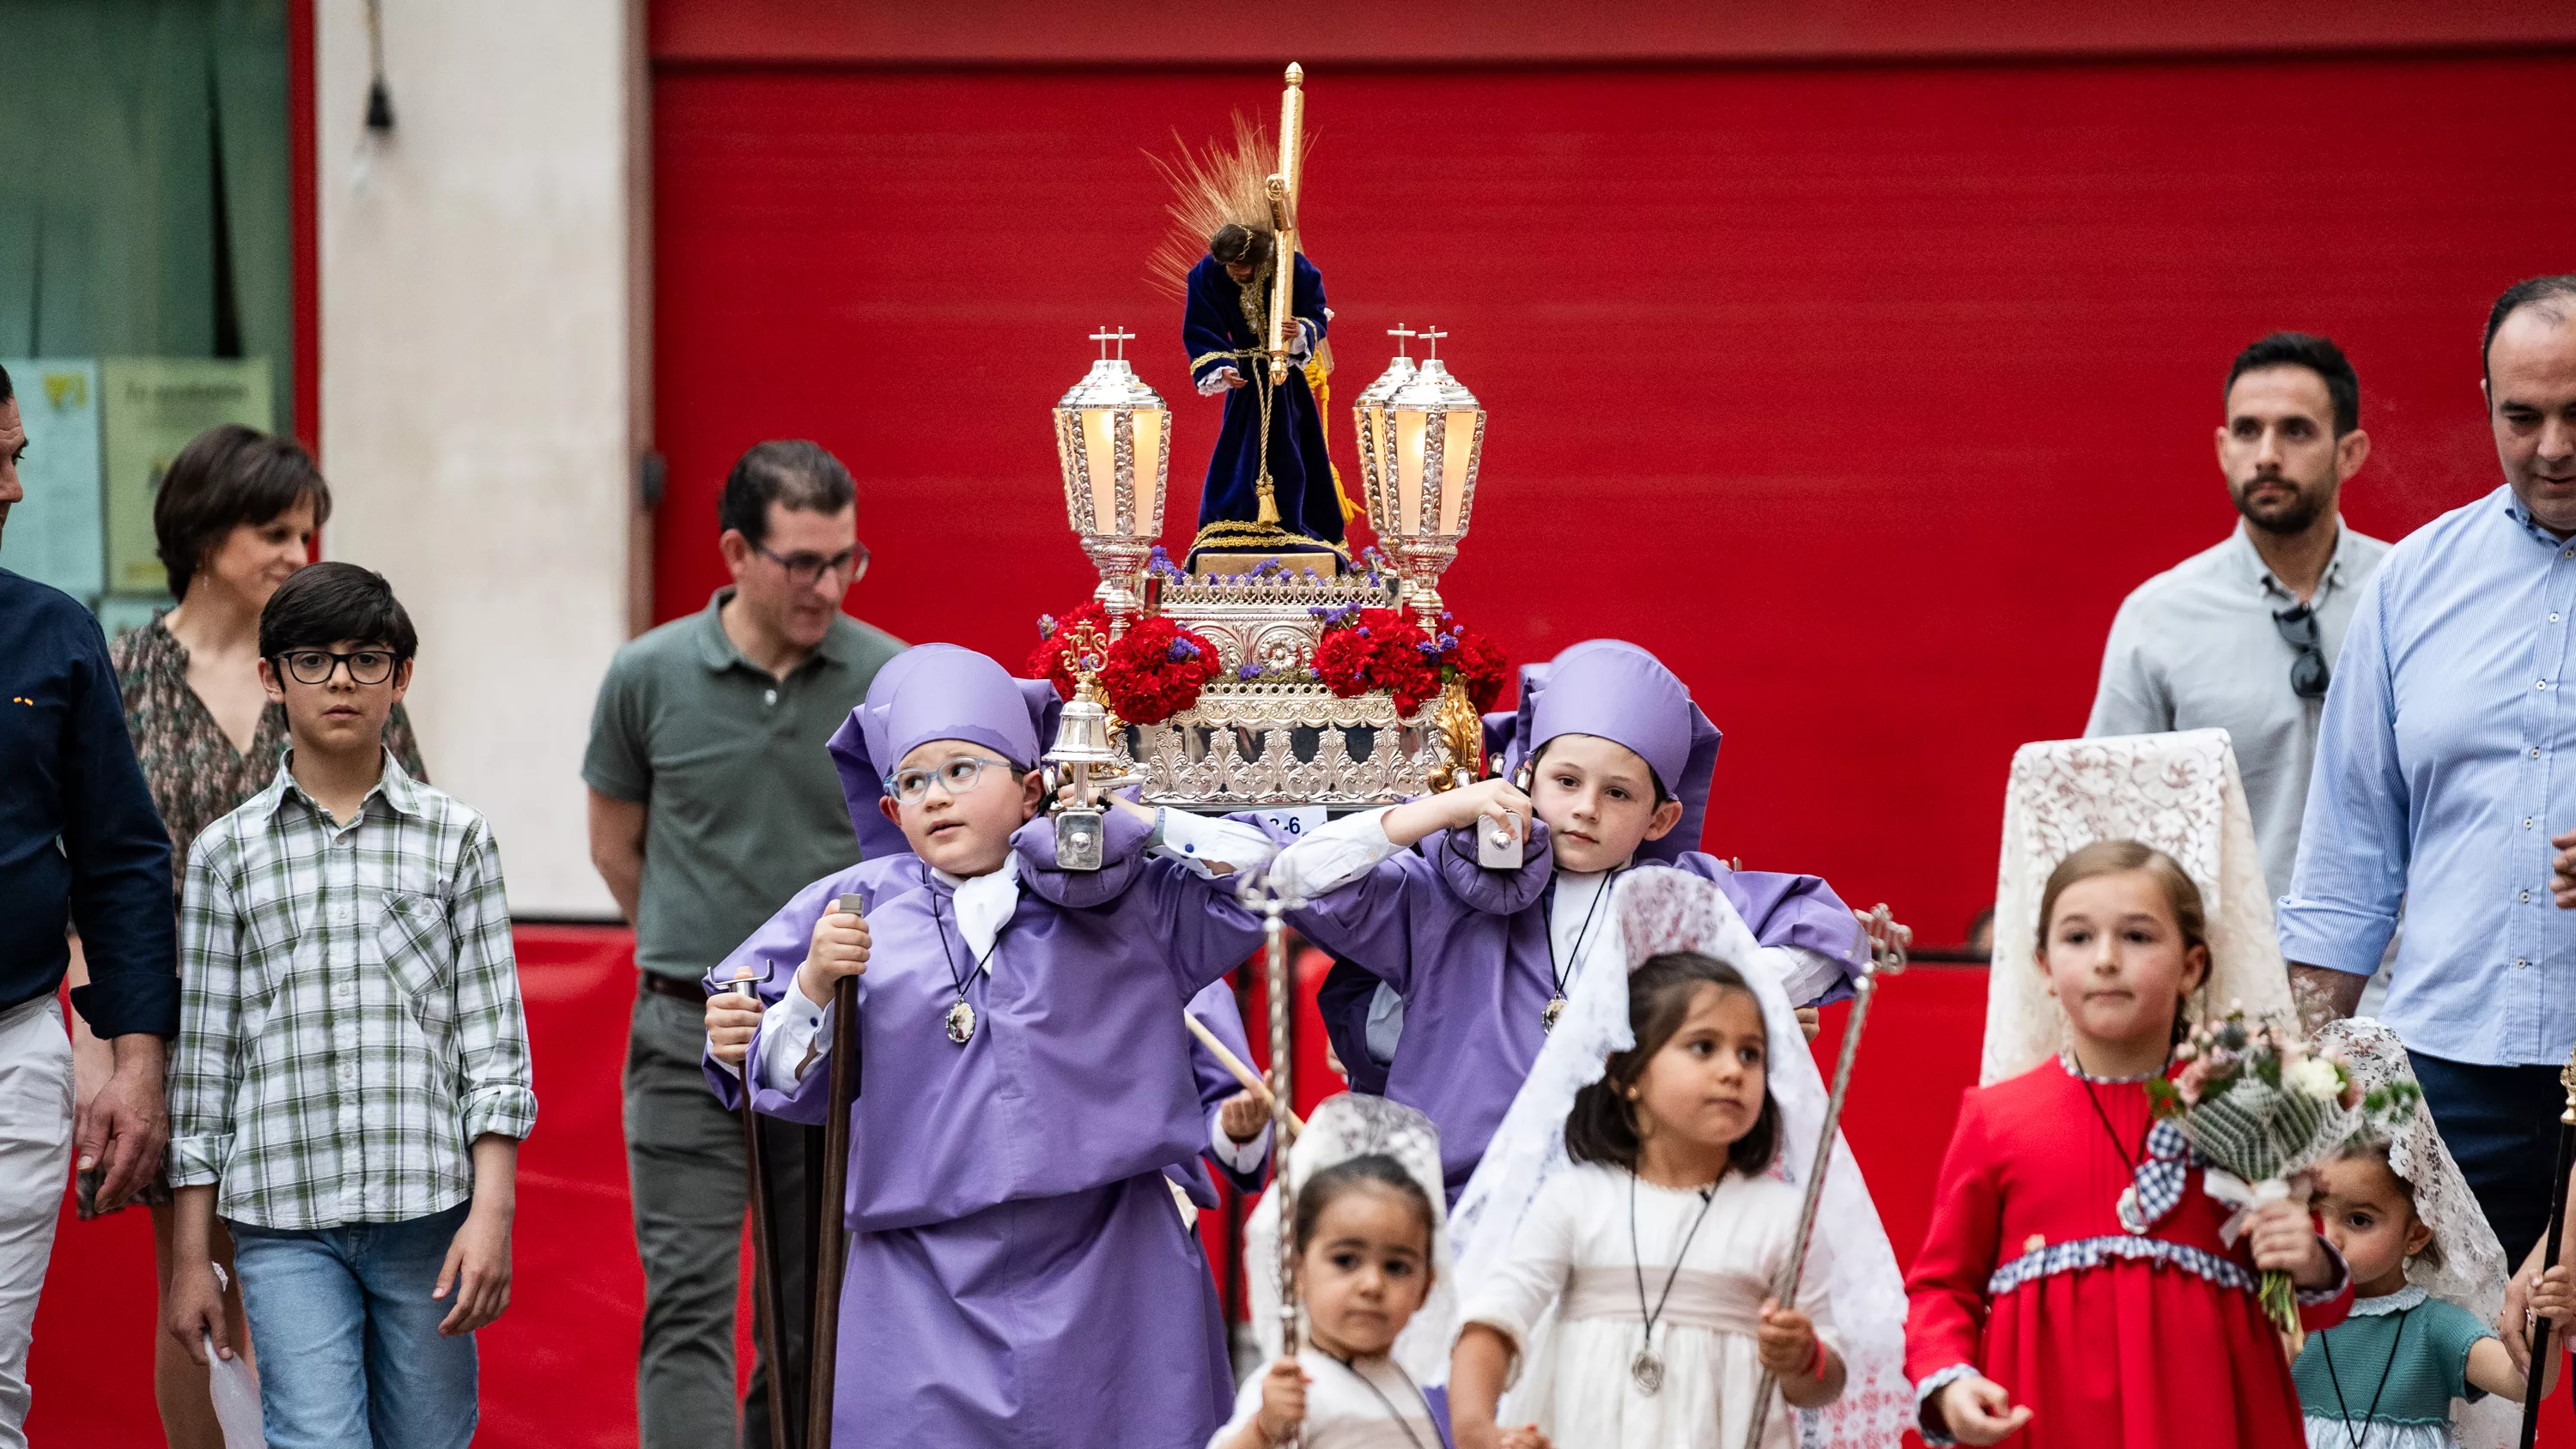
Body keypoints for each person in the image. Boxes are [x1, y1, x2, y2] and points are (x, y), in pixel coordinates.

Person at [726, 644, 1283, 1447]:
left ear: (1032, 789)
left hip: (1113, 1270)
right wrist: (811, 985)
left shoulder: (1116, 896)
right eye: (912, 782)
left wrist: (1132, 819)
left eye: (962, 770)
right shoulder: (853, 908)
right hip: (922, 1286)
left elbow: (1267, 877)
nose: (937, 797)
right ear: (889, 812)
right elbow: (773, 1076)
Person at [84, 421, 428, 1449]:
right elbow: (84, 871)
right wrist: (104, 1046)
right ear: (202, 530)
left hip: (329, 1026)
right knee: (196, 1287)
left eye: (309, 531)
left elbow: (410, 837)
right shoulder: (121, 670)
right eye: (273, 529)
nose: (297, 552)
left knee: (323, 1283)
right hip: (173, 1028)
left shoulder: (334, 667)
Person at [1267, 640, 1868, 1197]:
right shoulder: (1447, 891)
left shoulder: (1683, 895)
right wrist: (1443, 809)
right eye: (1567, 781)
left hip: (1619, 1212)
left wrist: (1731, 994)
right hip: (1455, 1213)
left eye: (1619, 794)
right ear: (1525, 776)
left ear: (1661, 819)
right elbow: (1297, 879)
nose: (1585, 809)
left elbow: (1829, 933)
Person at [163, 562, 535, 1449]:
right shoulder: (226, 855)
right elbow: (205, 1066)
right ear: (271, 679)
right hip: (284, 1218)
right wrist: (190, 1257)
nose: (339, 679)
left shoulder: (457, 839)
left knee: (431, 1435)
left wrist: (492, 1213)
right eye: (312, 659)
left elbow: (493, 1048)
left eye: (366, 658)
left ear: (401, 677)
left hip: (429, 1211)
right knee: (317, 1437)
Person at [584, 439, 901, 1449]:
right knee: (688, 1305)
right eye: (803, 562)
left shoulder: (886, 675)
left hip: (837, 1039)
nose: (827, 586)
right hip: (685, 1031)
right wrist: (715, 961)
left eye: (844, 559)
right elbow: (615, 843)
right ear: (734, 551)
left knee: (810, 1315)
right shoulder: (647, 674)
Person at [2282, 276, 2576, 1287]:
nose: (2552, 447)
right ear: (2485, 400)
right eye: (2523, 415)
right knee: (2441, 1408)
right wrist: (2300, 1106)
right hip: (2445, 1075)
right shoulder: (2413, 582)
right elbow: (2347, 863)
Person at [1909, 840, 2351, 1448]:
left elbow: (2317, 1307)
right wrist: (1951, 1383)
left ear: (2193, 965)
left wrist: (2307, 1259)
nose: (2107, 960)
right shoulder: (1994, 1118)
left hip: (2209, 1415)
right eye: (2078, 938)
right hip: (2046, 1417)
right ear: (2042, 965)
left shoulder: (2244, 1100)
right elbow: (1943, 1286)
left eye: (2138, 937)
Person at [1449, 951, 1844, 1449]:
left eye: (1751, 1054)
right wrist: (1476, 1428)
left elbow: (1822, 1383)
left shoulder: (1784, 1216)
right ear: (1628, 1074)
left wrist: (1803, 1357)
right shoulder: (1577, 1199)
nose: (1733, 1070)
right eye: (1704, 1047)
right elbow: (1496, 1320)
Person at [0, 361, 178, 1446]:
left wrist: (137, 1053)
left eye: (17, 459)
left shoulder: (55, 635)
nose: (14, 489)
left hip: (15, 1048)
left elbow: (122, 858)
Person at [2087, 332, 2388, 904]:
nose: (2267, 454)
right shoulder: (2159, 618)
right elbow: (2109, 821)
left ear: (2350, 453)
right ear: (2223, 448)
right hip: (2224, 977)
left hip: (2397, 978)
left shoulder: (2411, 594)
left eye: (2296, 430)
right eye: (2248, 431)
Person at [2297, 1019, 2531, 1449]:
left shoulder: (2432, 1326)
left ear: (2417, 1233)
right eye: (2311, 1213)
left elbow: (2522, 1383)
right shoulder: (2284, 1317)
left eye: (2359, 1220)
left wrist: (2541, 1321)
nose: (2328, 1237)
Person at [1218, 1095, 1448, 1449]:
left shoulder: (1407, 1382)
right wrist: (1263, 1429)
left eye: (1397, 1267)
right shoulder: (1293, 1387)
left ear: (1427, 1286)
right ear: (1296, 1270)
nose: (1372, 1284)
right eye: (1346, 1261)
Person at [1184, 222, 1346, 550]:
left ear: (1259, 260)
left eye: (1241, 266)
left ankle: (1295, 523)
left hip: (1284, 376)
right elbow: (1200, 324)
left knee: (1292, 446)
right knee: (1239, 450)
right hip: (1245, 379)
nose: (1236, 273)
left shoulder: (1291, 267)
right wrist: (1220, 367)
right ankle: (1235, 523)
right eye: (1230, 266)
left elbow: (1316, 313)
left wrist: (1299, 328)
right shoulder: (1208, 272)